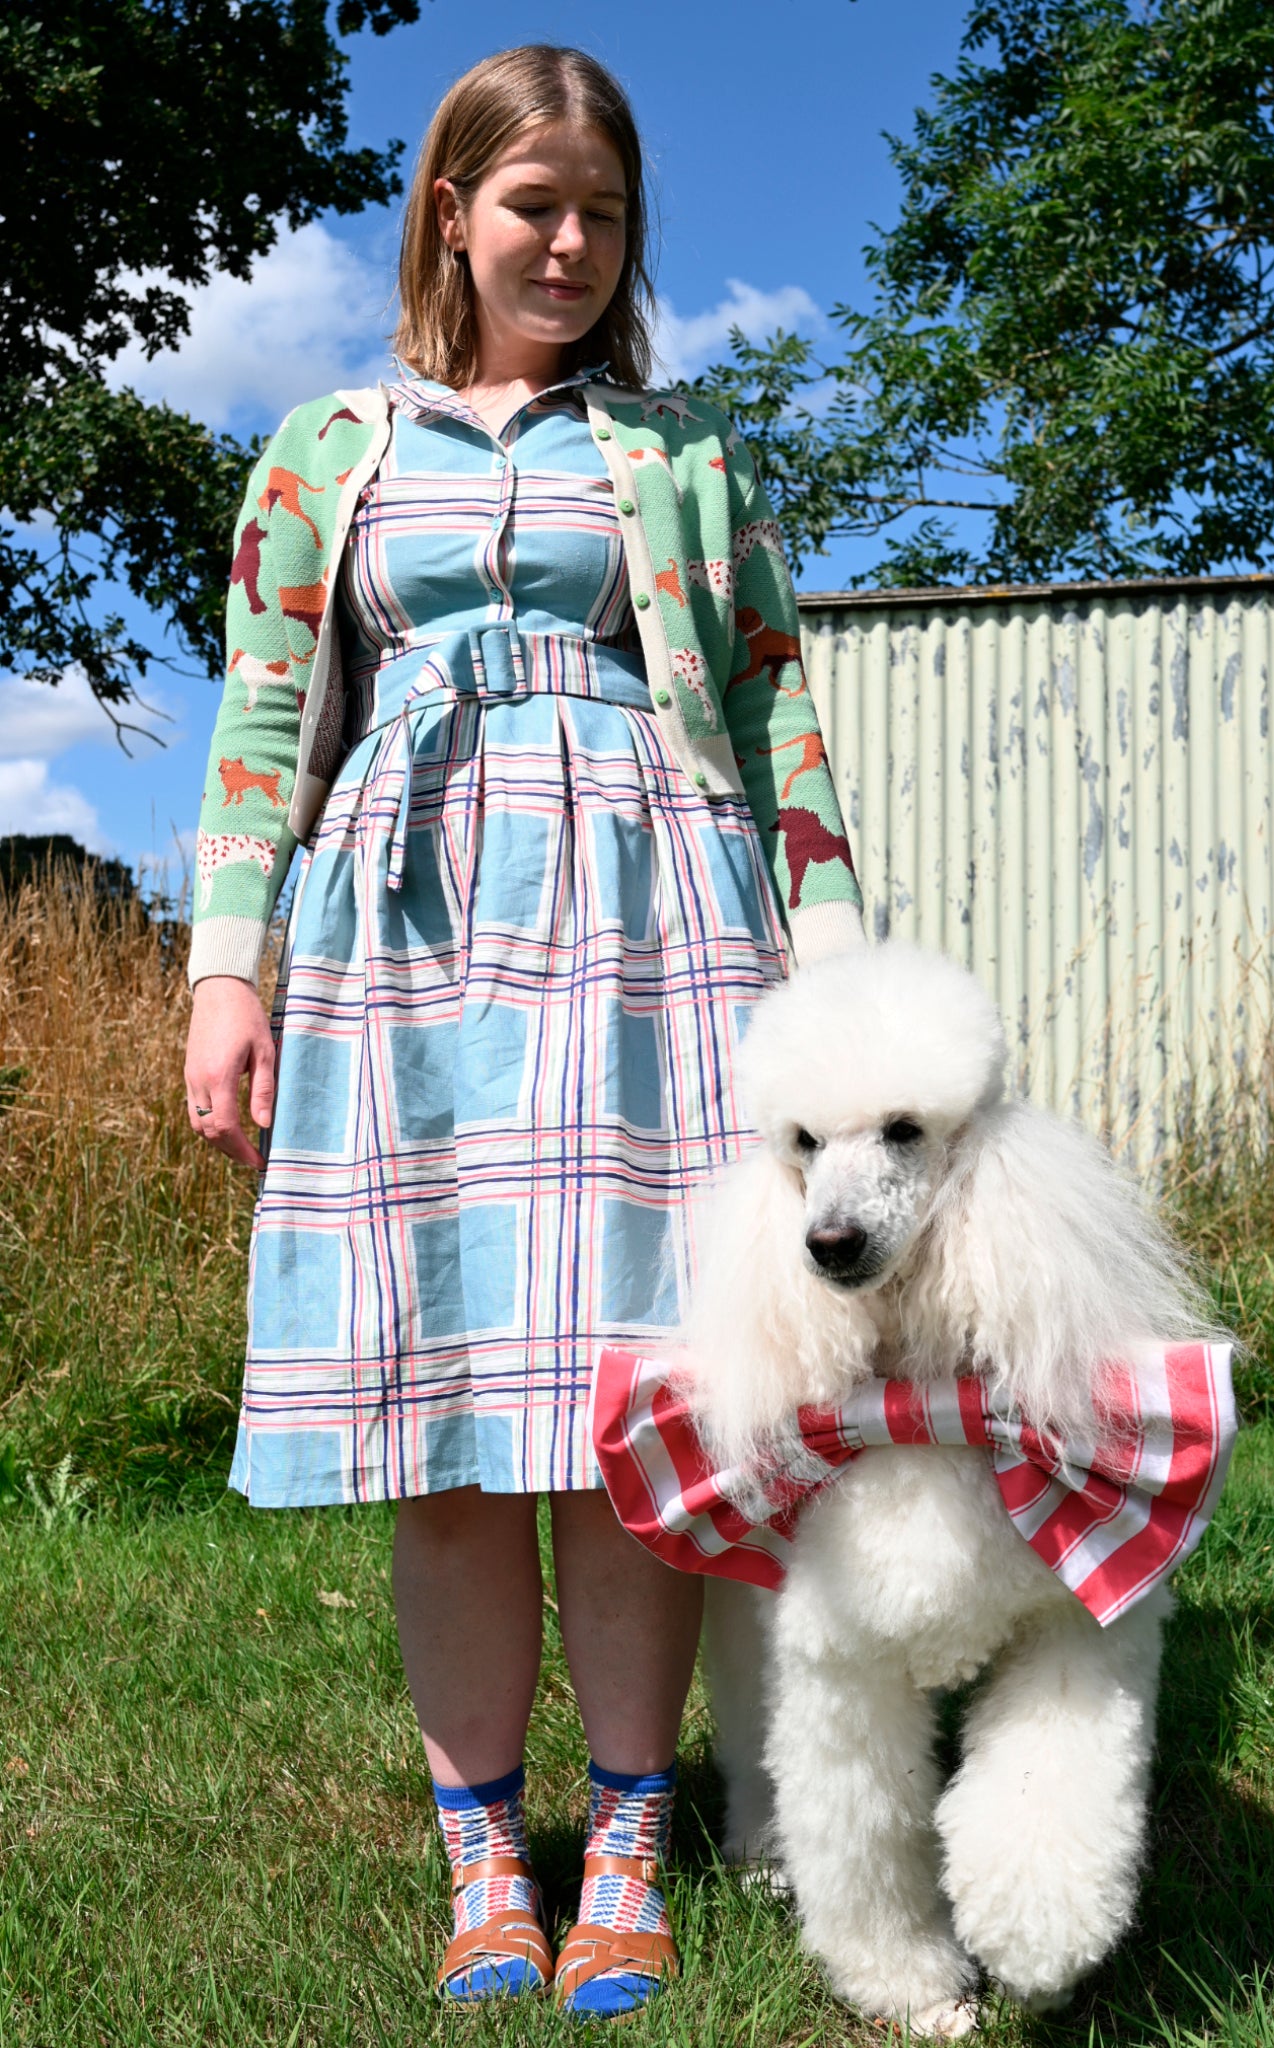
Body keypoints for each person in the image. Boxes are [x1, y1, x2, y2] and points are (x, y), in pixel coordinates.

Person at [181, 43, 862, 2019]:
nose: (567, 243)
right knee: (446, 1426)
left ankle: (630, 1840)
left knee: (634, 1414)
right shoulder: (327, 448)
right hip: (407, 960)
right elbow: (252, 733)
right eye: (532, 205)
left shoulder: (673, 458)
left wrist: (826, 967)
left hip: (655, 942)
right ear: (450, 213)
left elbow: (772, 718)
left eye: (603, 214)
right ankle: (487, 1857)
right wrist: (229, 964)